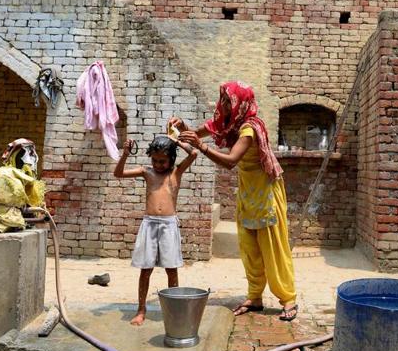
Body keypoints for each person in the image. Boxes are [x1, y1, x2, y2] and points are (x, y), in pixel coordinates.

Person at [171, 81, 298, 322]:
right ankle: (255, 296)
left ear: (240, 103)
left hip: (266, 191)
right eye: (224, 100)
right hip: (248, 190)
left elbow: (231, 161)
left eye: (229, 101)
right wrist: (182, 129)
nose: (225, 105)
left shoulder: (249, 128)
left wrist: (202, 147)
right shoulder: (229, 124)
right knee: (249, 246)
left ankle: (288, 298)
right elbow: (200, 133)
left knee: (272, 247)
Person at [114, 135, 198, 325]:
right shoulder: (146, 172)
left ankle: (174, 311)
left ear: (171, 160)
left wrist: (175, 140)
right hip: (149, 224)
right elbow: (118, 173)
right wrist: (125, 154)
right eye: (155, 160)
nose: (158, 164)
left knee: (171, 269)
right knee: (146, 269)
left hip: (169, 225)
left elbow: (193, 153)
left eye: (163, 161)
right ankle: (141, 309)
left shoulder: (176, 172)